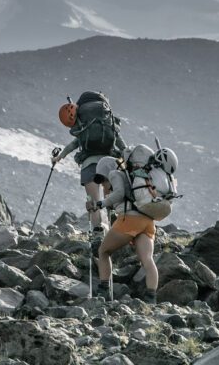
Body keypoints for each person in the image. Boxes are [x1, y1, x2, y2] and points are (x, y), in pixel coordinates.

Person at [88, 145, 159, 303]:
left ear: (106, 171)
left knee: (103, 251)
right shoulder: (133, 178)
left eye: (103, 180)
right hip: (147, 221)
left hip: (130, 220)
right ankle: (151, 298)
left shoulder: (114, 174)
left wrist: (100, 204)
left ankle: (104, 292)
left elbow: (119, 193)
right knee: (147, 259)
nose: (103, 185)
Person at [52, 92, 126, 243]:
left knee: (92, 200)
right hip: (109, 164)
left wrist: (59, 157)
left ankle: (97, 233)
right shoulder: (107, 121)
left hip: (89, 166)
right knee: (109, 197)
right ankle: (114, 226)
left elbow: (74, 144)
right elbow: (121, 144)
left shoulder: (83, 124)